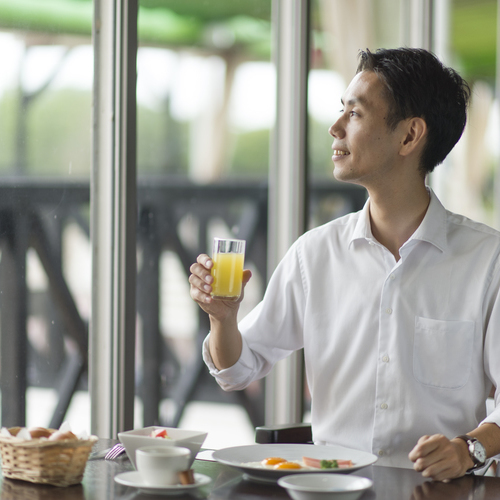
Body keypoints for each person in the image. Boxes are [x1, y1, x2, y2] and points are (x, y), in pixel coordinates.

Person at [189, 47, 500, 481]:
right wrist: (223, 320)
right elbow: (238, 369)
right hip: (330, 488)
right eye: (341, 111)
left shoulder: (488, 261)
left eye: (355, 114)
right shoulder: (313, 254)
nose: (335, 128)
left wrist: (468, 449)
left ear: (410, 136)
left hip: (440, 490)